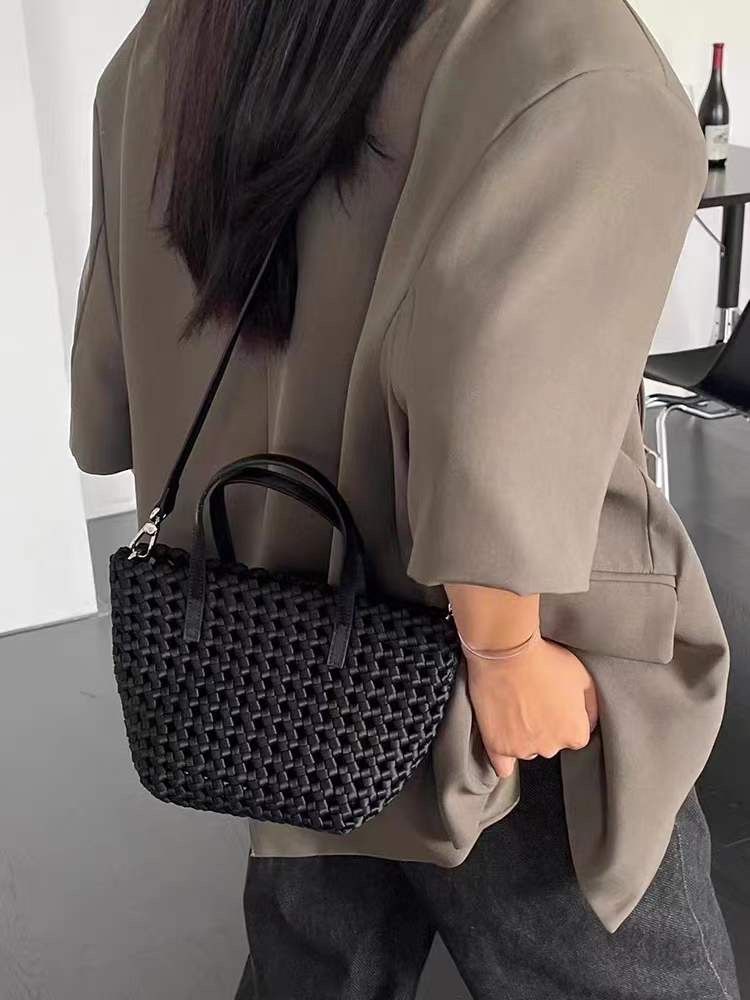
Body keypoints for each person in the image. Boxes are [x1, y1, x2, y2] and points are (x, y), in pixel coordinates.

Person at [69, 1, 740, 997]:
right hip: (508, 672)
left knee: (314, 968)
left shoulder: (181, 36)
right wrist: (506, 652)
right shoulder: (568, 53)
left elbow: (107, 407)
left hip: (277, 657)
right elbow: (499, 400)